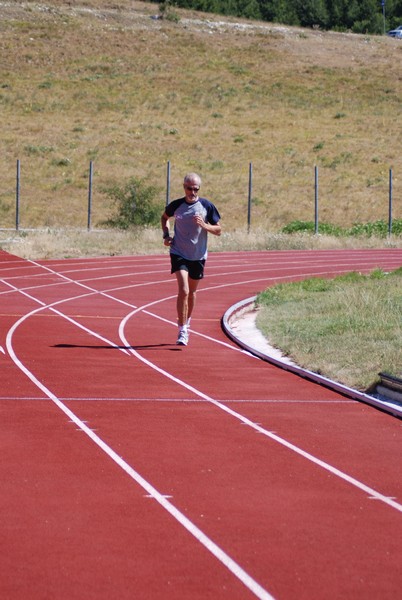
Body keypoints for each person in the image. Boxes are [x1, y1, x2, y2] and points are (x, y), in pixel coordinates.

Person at [161, 173, 221, 346]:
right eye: (189, 188)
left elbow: (219, 229)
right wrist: (166, 235)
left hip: (198, 255)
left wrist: (204, 225)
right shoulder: (177, 205)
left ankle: (187, 321)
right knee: (184, 290)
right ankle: (182, 330)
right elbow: (164, 217)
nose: (192, 192)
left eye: (196, 189)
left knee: (192, 293)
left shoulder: (206, 206)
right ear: (184, 187)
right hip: (179, 252)